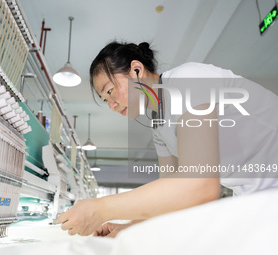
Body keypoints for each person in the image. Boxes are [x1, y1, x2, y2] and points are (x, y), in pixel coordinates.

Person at [57, 41, 278, 237]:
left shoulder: (187, 79)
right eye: (106, 100)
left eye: (111, 91)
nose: (112, 105)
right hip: (257, 198)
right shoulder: (159, 126)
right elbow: (175, 198)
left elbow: (200, 185)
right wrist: (128, 227)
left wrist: (100, 208)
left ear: (136, 69)